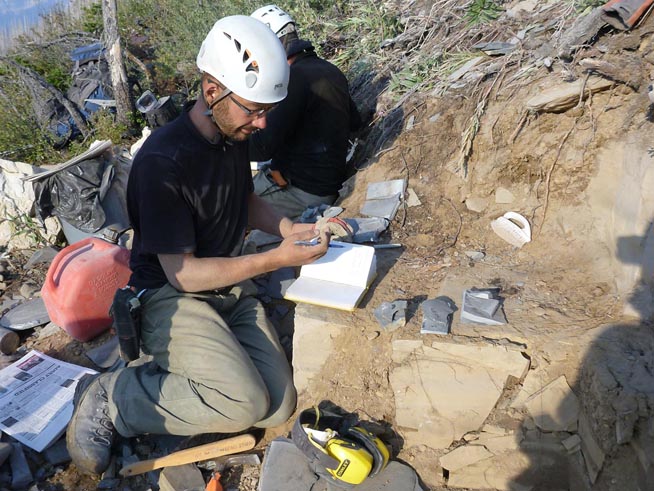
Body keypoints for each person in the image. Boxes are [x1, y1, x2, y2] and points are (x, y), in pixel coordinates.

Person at [65, 15, 346, 475]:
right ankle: (117, 398)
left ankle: (197, 368)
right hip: (170, 298)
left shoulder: (231, 134)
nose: (261, 123)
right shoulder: (163, 160)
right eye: (253, 110)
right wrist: (274, 258)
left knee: (277, 406)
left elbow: (246, 199)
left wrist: (288, 229)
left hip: (227, 292)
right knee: (243, 403)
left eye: (267, 111)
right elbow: (184, 274)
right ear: (212, 90)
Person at [248, 5, 362, 220]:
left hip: (300, 193)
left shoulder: (293, 80)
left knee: (224, 209)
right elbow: (355, 122)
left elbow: (261, 149)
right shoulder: (329, 69)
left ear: (270, 44)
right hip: (321, 185)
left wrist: (226, 143)